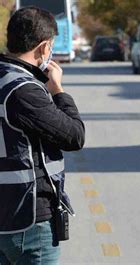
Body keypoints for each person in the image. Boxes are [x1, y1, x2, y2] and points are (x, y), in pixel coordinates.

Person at [0, 7, 85, 264]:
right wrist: (58, 90)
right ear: (44, 47)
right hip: (28, 221)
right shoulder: (24, 90)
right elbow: (74, 135)